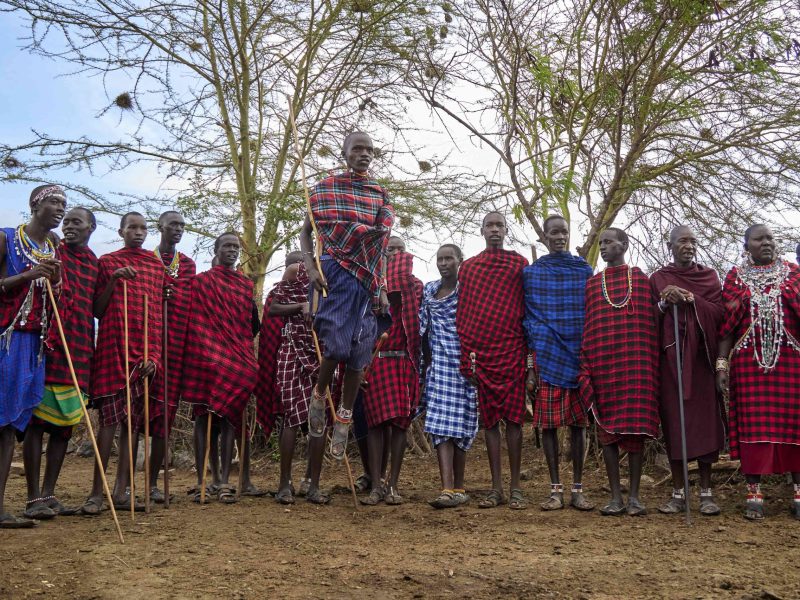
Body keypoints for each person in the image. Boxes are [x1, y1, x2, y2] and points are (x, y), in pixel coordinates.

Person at [300, 131, 393, 461]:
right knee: (337, 346)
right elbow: (306, 231)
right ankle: (318, 395)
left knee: (358, 355)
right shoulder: (326, 189)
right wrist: (310, 267)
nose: (364, 154)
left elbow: (380, 245)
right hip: (334, 273)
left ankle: (344, 415)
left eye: (369, 149)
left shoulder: (379, 194)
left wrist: (381, 287)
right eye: (358, 149)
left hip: (367, 278)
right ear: (345, 152)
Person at [716, 224, 800, 521]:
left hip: (791, 362)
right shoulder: (735, 278)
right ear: (746, 244)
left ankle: (799, 495)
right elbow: (727, 325)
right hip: (748, 364)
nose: (766, 242)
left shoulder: (793, 273)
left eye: (770, 238)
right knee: (753, 427)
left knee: (795, 424)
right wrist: (721, 364)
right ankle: (754, 493)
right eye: (759, 238)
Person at [83, 211, 164, 513]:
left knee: (133, 425)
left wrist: (154, 357)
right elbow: (97, 310)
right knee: (108, 424)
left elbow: (155, 315)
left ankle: (122, 490)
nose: (139, 232)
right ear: (121, 232)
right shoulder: (108, 262)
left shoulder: (155, 267)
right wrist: (114, 281)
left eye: (143, 228)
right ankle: (95, 492)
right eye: (132, 228)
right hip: (113, 349)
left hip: (143, 353)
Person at [579, 228, 659, 516]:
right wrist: (587, 363)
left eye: (609, 242)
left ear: (624, 245)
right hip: (604, 365)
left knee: (634, 433)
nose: (603, 247)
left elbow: (651, 323)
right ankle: (615, 496)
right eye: (600, 243)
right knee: (608, 433)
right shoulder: (592, 284)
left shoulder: (640, 279)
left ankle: (635, 497)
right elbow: (590, 327)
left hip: (635, 365)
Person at [23, 207, 97, 519]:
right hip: (49, 342)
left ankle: (50, 493)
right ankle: (32, 498)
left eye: (76, 222)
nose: (68, 226)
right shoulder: (52, 252)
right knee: (37, 422)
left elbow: (99, 305)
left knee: (64, 425)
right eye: (66, 221)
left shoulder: (95, 263)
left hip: (80, 346)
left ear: (91, 227)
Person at [0, 185, 64, 528]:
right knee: (2, 421)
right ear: (34, 205)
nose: (60, 209)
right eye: (54, 202)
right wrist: (27, 275)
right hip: (6, 339)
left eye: (63, 204)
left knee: (12, 424)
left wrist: (53, 279)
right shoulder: (7, 238)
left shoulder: (52, 247)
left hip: (35, 342)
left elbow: (55, 293)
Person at [651, 225, 725, 516]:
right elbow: (647, 317)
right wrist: (663, 301)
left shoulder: (708, 277)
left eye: (693, 241)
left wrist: (693, 300)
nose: (689, 246)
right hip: (670, 363)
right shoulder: (658, 278)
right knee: (674, 423)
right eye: (683, 241)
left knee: (705, 425)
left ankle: (706, 492)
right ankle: (679, 492)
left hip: (701, 360)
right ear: (670, 245)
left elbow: (720, 313)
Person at [522, 215, 594, 511]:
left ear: (569, 234)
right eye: (554, 233)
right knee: (548, 425)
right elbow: (528, 319)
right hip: (547, 354)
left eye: (564, 232)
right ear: (545, 237)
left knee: (579, 425)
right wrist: (530, 364)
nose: (560, 237)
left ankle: (577, 488)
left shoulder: (583, 269)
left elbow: (590, 311)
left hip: (578, 354)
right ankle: (555, 489)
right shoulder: (533, 273)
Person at [456, 212, 528, 509]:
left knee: (514, 421)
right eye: (490, 226)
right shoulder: (469, 268)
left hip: (512, 350)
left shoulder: (519, 264)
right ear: (482, 231)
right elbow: (464, 313)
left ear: (506, 230)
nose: (495, 230)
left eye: (500, 225)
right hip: (482, 354)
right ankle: (495, 488)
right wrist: (467, 357)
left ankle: (516, 489)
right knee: (489, 423)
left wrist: (529, 358)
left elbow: (527, 308)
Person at [181, 233, 258, 504]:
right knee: (203, 418)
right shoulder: (200, 282)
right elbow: (192, 318)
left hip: (236, 359)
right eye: (227, 246)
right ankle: (205, 480)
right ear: (215, 250)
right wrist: (207, 350)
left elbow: (251, 325)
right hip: (206, 357)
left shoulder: (245, 286)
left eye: (236, 247)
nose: (232, 251)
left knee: (229, 419)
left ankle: (225, 481)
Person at [361, 238, 423, 506]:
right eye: (390, 250)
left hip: (403, 361)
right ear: (380, 255)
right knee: (375, 424)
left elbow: (403, 298)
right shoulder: (369, 285)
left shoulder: (414, 286)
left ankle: (393, 485)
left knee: (400, 425)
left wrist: (392, 277)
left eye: (400, 249)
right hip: (374, 361)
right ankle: (376, 485)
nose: (396, 253)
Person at [420, 244, 478, 509]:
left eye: (449, 259)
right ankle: (446, 488)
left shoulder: (469, 291)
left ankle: (459, 488)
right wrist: (426, 365)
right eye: (440, 259)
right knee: (441, 427)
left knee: (463, 426)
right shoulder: (429, 291)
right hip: (440, 365)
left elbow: (478, 324)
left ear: (460, 261)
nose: (444, 263)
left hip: (465, 363)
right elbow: (423, 330)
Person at [269, 258, 328, 505]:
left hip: (323, 350)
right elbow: (273, 307)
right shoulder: (298, 269)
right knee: (292, 417)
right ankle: (285, 484)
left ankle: (314, 485)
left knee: (319, 418)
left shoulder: (335, 269)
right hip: (293, 350)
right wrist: (301, 306)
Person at [148, 211, 196, 503]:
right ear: (161, 226)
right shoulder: (144, 260)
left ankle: (153, 483)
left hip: (176, 348)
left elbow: (190, 305)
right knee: (137, 414)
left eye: (181, 225)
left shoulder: (188, 266)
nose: (177, 229)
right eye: (173, 224)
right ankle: (125, 485)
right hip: (146, 345)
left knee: (164, 418)